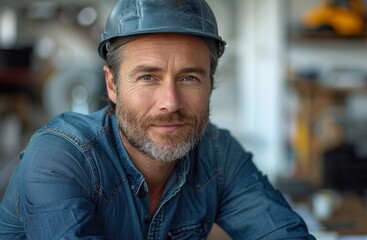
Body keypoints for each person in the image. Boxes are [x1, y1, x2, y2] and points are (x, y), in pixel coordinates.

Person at [0, 0, 315, 239]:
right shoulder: (61, 157)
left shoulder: (218, 154)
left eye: (189, 78)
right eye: (148, 77)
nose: (171, 103)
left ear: (210, 83)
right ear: (112, 85)